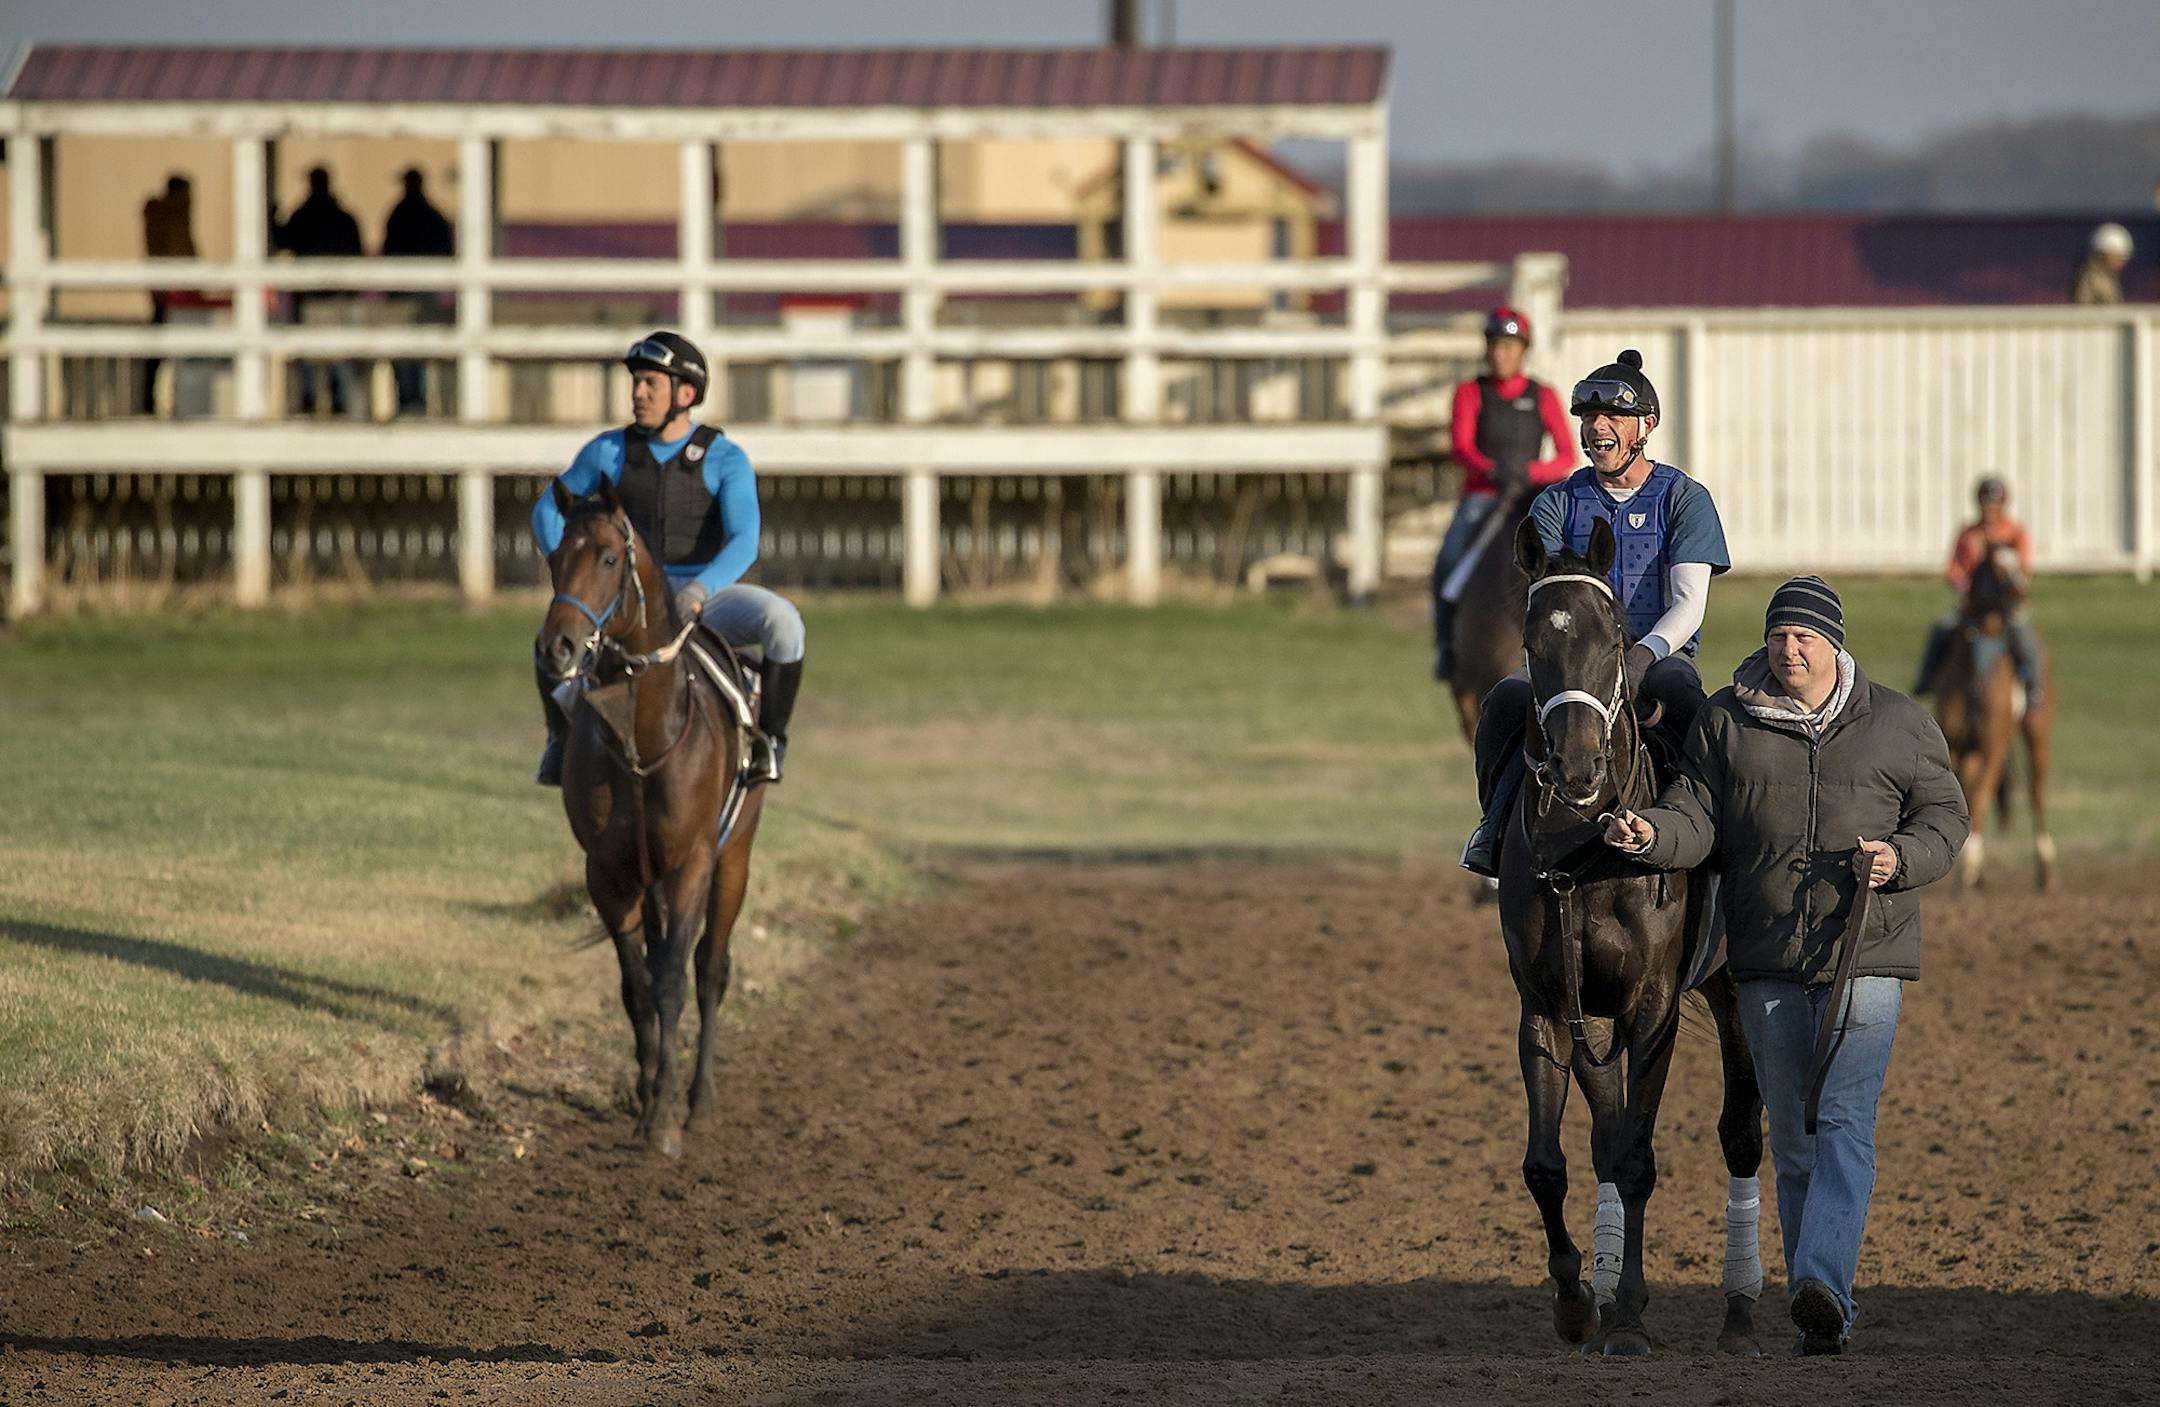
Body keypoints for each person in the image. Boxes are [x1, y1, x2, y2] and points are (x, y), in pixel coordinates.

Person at [1601, 577, 1969, 1355]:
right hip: (1763, 958)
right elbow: (1694, 815)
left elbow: (1946, 814)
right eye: (1778, 636)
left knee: (1840, 1118)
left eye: (1804, 637)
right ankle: (1817, 1303)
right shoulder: (1728, 721)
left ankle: (1823, 1281)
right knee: (1794, 1138)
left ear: (1834, 643)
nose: (1789, 649)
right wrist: (1649, 835)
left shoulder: (1898, 722)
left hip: (1863, 952)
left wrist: (1900, 858)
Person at [1458, 349, 1730, 877]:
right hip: (1573, 665)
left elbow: (1688, 603)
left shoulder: (1684, 499)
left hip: (1658, 658)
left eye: (1613, 418)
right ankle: (1494, 826)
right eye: (1588, 418)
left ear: (1646, 425)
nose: (1597, 428)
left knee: (1691, 708)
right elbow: (1543, 597)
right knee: (1502, 704)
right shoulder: (1557, 503)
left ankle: (1708, 835)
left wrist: (1642, 657)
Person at [530, 331, 804, 788]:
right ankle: (560, 739)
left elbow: (745, 539)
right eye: (636, 382)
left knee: (785, 623)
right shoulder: (608, 451)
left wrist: (699, 591)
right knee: (554, 637)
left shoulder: (724, 457)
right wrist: (571, 578)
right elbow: (547, 509)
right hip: (630, 602)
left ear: (686, 393)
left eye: (650, 383)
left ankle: (768, 743)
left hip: (707, 596)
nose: (637, 393)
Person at [1429, 305, 1575, 679]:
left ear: (1523, 350)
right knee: (1448, 562)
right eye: (1495, 346)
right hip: (1485, 496)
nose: (1501, 354)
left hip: (1530, 497)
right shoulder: (1470, 392)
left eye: (1509, 346)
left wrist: (1530, 472)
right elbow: (1461, 447)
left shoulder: (1543, 395)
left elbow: (1566, 454)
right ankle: (1446, 647)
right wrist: (1493, 471)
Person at [1912, 476, 2042, 708]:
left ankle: (2034, 688)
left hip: (2006, 607)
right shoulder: (1969, 533)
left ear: (2003, 505)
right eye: (1986, 503)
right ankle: (1927, 679)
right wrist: (1962, 584)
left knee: (2025, 637)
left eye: (1995, 504)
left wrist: (2011, 579)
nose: (1990, 509)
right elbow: (1953, 568)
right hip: (1972, 605)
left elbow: (2024, 570)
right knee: (1941, 629)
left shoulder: (2014, 533)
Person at [276, 166, 364, 416]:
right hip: (337, 296)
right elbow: (356, 253)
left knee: (308, 354)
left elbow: (283, 240)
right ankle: (339, 402)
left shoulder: (303, 216)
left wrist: (272, 217)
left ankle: (309, 401)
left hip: (309, 296)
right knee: (338, 353)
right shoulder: (343, 218)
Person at [380, 167, 455, 416]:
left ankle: (408, 401)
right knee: (418, 349)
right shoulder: (432, 214)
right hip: (423, 292)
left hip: (402, 292)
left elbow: (387, 251)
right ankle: (416, 401)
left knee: (404, 350)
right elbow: (447, 250)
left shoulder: (399, 214)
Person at [139, 174, 197, 415]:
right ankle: (154, 402)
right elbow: (178, 253)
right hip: (172, 294)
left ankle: (154, 401)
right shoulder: (172, 217)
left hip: (169, 292)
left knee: (162, 350)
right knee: (164, 350)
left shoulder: (165, 216)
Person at [2071, 222, 2132, 305]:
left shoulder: (2109, 278)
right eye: (2117, 256)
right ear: (2102, 254)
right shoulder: (2091, 278)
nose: (2122, 262)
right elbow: (2084, 308)